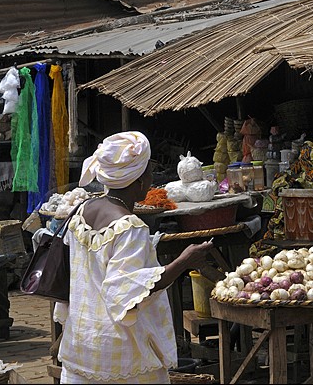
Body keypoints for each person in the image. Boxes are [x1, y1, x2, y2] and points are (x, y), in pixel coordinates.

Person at [54, 131, 215, 384]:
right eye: (149, 174)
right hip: (120, 353)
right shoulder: (130, 227)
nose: (152, 181)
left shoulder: (82, 210)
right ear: (138, 182)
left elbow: (95, 265)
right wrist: (184, 260)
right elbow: (125, 290)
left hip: (81, 342)